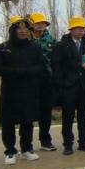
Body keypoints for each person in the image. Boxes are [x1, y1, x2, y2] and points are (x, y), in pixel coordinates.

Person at [0, 16, 48, 164]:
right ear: (13, 30)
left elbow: (42, 66)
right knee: (8, 122)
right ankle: (10, 151)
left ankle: (26, 149)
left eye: (26, 29)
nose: (23, 31)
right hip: (10, 91)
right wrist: (15, 72)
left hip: (29, 90)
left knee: (27, 121)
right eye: (19, 28)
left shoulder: (34, 47)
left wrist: (26, 72)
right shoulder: (3, 48)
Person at [53, 16, 85, 154]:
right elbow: (56, 66)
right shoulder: (61, 45)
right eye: (78, 28)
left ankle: (83, 142)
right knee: (68, 118)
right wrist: (62, 84)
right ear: (71, 29)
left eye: (83, 28)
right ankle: (67, 144)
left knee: (83, 117)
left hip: (84, 87)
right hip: (68, 87)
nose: (81, 31)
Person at [29, 12, 58, 151]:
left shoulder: (51, 40)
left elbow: (56, 60)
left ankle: (45, 140)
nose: (40, 26)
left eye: (43, 23)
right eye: (37, 23)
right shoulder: (26, 39)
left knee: (46, 112)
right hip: (29, 81)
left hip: (47, 80)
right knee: (28, 113)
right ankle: (26, 145)